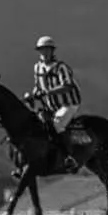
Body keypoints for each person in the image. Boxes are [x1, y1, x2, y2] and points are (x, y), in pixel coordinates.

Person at [27, 35, 82, 172]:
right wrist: (32, 95)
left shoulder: (61, 67)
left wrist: (47, 92)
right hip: (51, 106)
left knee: (57, 125)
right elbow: (37, 86)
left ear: (52, 51)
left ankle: (69, 158)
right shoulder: (37, 68)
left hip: (68, 104)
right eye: (42, 50)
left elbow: (67, 85)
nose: (44, 53)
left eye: (47, 50)